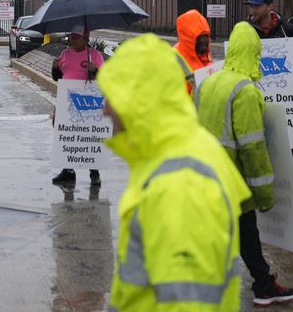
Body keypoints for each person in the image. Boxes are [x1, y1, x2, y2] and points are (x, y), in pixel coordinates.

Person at [96, 33, 251, 311]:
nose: (104, 110)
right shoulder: (172, 153)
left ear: (138, 101)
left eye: (111, 97)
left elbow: (188, 303)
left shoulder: (180, 184)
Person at [196, 22, 293, 306]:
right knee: (243, 230)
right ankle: (260, 285)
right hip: (232, 178)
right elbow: (252, 147)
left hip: (205, 174)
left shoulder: (209, 82)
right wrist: (264, 194)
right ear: (253, 52)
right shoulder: (246, 91)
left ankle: (260, 282)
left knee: (239, 232)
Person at [51, 24, 103, 186]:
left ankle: (94, 172)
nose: (72, 40)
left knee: (88, 134)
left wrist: (94, 70)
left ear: (85, 38)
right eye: (71, 37)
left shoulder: (95, 55)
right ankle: (68, 170)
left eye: (76, 37)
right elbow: (58, 77)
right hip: (66, 99)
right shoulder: (65, 54)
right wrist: (55, 69)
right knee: (66, 131)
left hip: (87, 100)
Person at [173, 9, 213, 94]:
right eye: (198, 37)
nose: (203, 40)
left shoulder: (203, 53)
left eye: (205, 36)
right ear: (188, 39)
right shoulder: (173, 59)